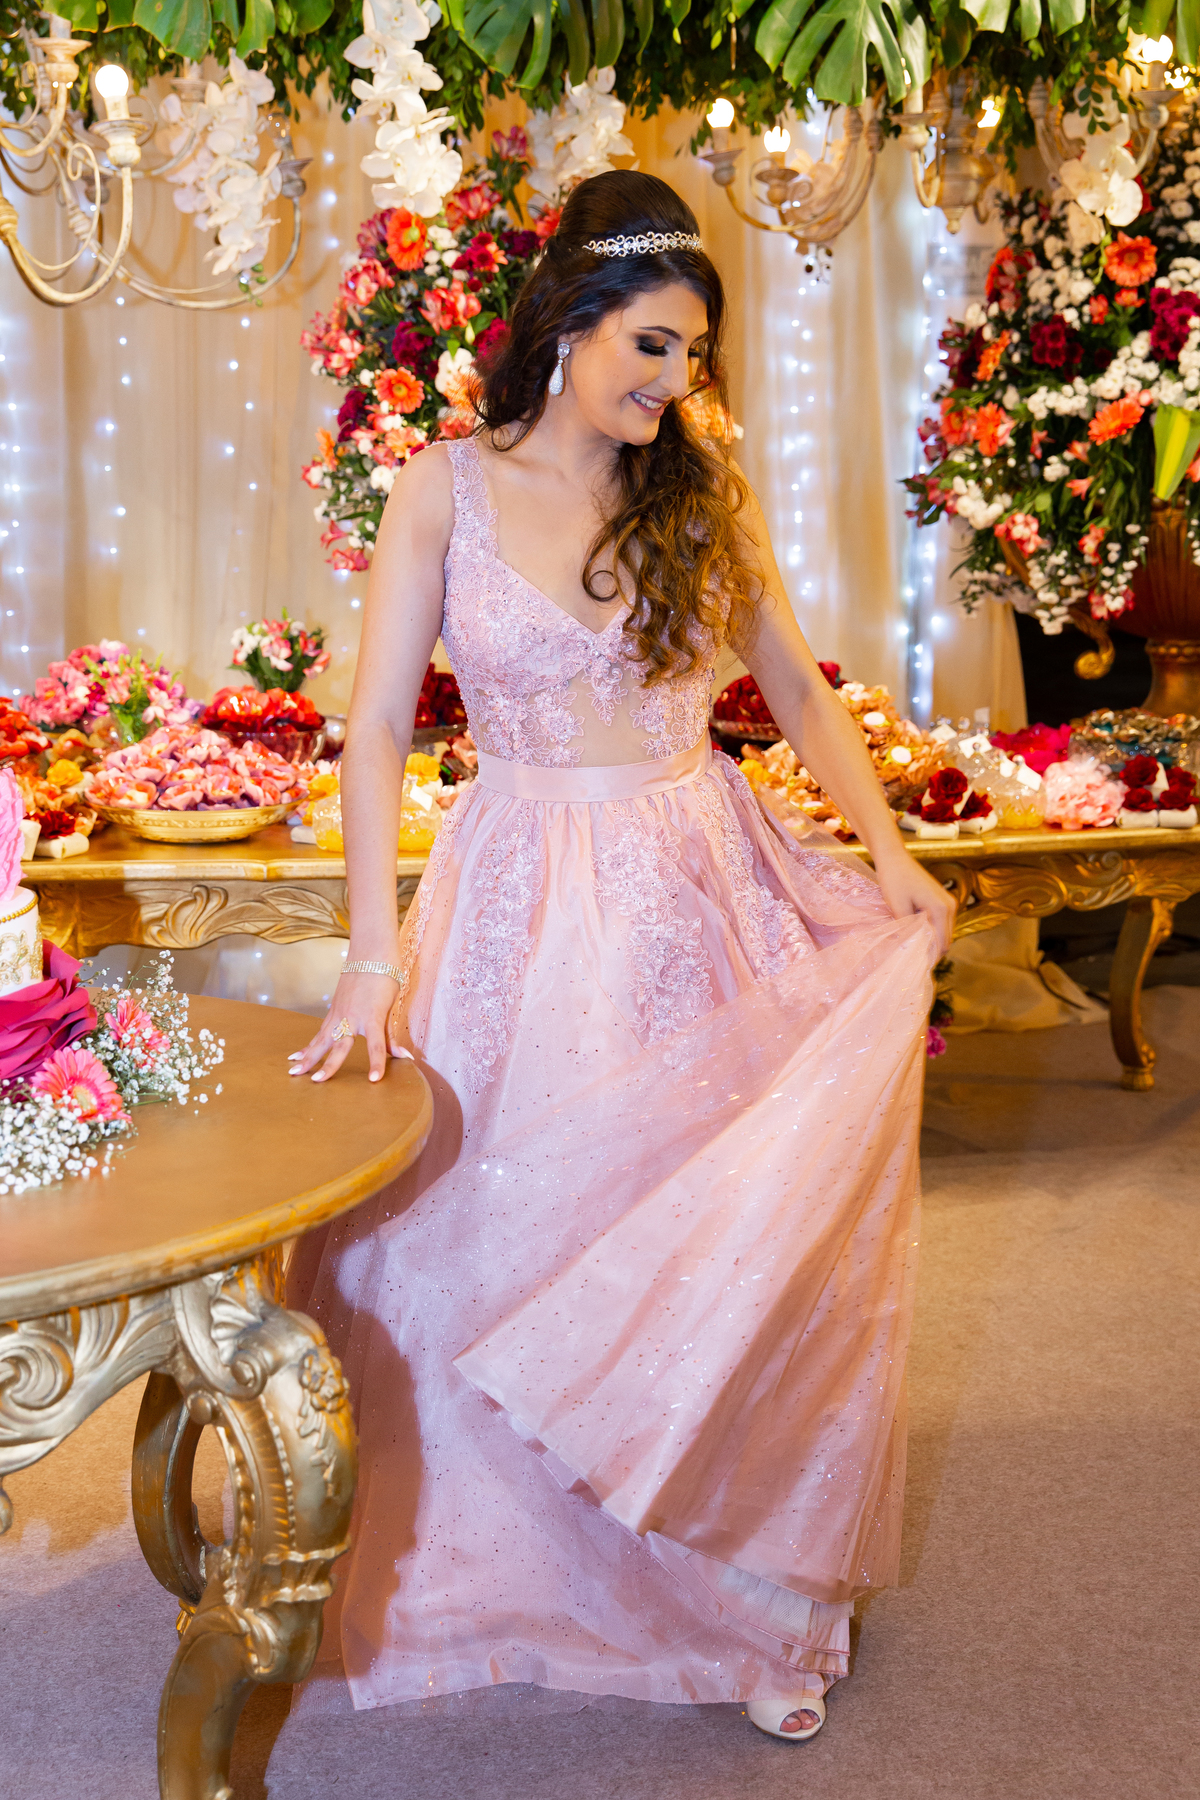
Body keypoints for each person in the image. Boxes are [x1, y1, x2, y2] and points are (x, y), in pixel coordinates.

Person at [288, 168, 954, 1744]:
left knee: (701, 1240)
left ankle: (726, 1593)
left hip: (687, 880)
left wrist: (891, 851)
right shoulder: (443, 485)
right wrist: (372, 957)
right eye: (650, 345)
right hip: (513, 888)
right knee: (498, 1228)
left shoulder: (699, 480)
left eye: (692, 356)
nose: (673, 382)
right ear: (572, 324)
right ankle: (503, 1570)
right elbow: (377, 726)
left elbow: (788, 681)